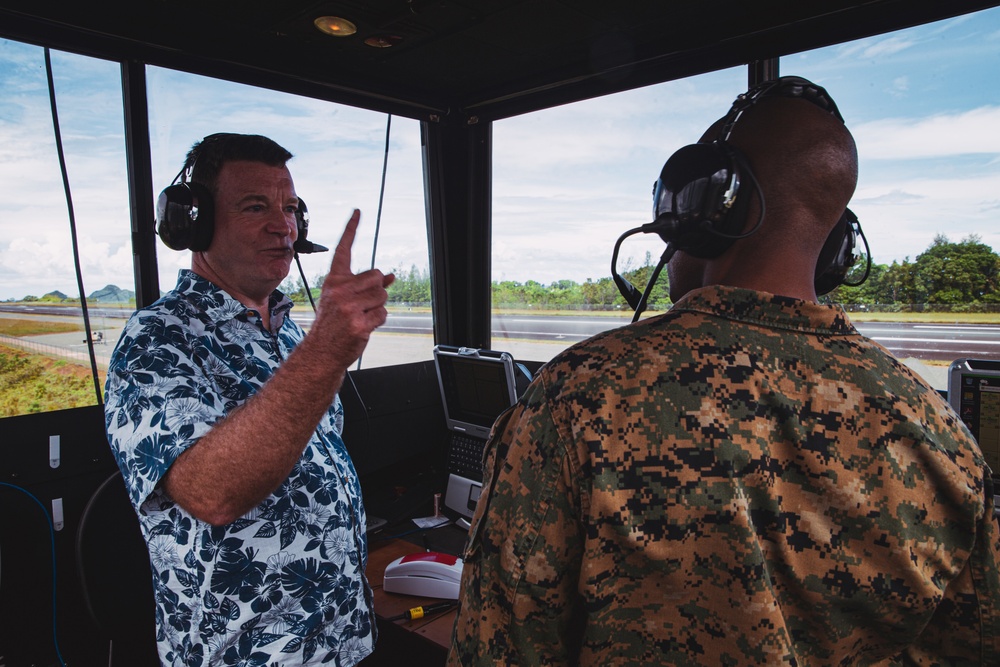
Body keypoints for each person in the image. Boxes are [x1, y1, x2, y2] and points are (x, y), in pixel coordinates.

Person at [448, 78, 1000, 664]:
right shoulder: (942, 435)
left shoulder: (578, 397)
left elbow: (497, 650)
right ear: (835, 242)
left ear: (706, 211)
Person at [104, 133, 394, 666]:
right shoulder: (157, 339)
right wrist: (326, 351)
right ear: (197, 221)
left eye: (289, 209)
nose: (282, 225)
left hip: (341, 640)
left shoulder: (288, 334)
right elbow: (208, 492)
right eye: (255, 206)